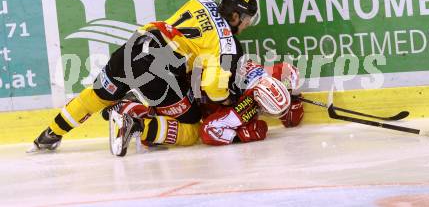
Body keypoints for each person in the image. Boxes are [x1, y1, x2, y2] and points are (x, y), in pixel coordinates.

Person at [28, 0, 259, 153]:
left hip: (136, 44)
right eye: (247, 18)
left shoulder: (202, 1)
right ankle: (136, 123)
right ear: (236, 15)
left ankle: (50, 134)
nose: (248, 24)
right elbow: (214, 88)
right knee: (191, 129)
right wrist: (229, 99)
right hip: (160, 70)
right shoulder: (227, 44)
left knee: (97, 95)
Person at [107, 60, 304, 156]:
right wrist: (241, 135)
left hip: (189, 75)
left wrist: (293, 95)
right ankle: (134, 115)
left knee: (171, 125)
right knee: (189, 133)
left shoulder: (263, 76)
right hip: (186, 89)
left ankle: (132, 109)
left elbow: (289, 71)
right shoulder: (244, 108)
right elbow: (209, 131)